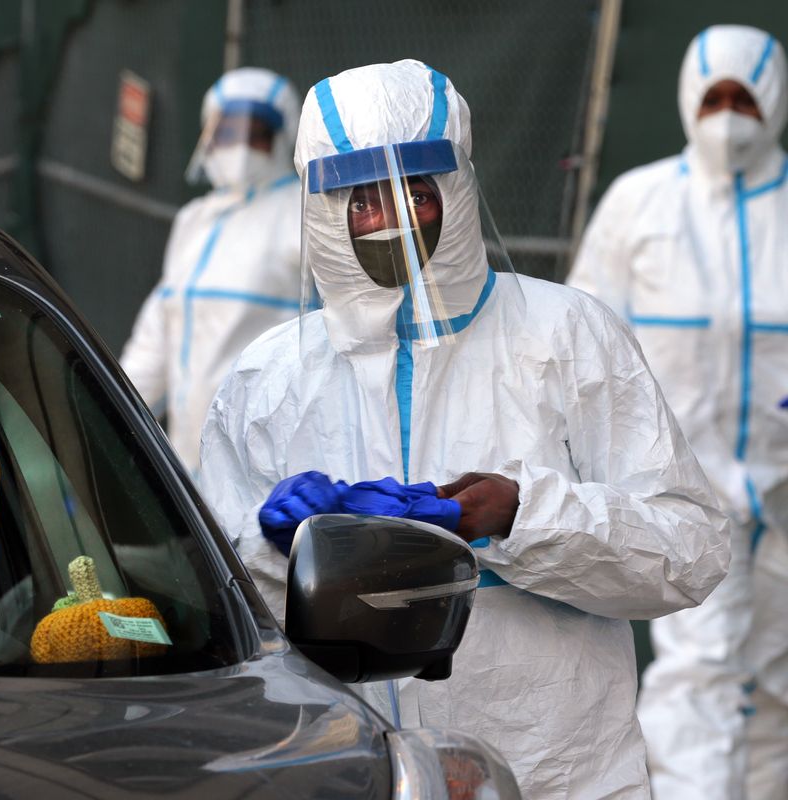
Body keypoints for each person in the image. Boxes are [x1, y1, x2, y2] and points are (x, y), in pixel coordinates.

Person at [199, 60, 730, 798]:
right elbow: (218, 605)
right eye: (362, 201)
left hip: (553, 773)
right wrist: (277, 544)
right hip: (344, 770)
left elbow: (690, 550)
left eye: (415, 191)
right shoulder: (268, 380)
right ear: (322, 209)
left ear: (454, 185)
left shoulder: (565, 335)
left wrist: (521, 519)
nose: (392, 220)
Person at [566, 25, 788, 800]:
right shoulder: (642, 203)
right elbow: (588, 340)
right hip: (686, 494)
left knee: (774, 682)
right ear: (690, 99)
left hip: (782, 488)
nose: (731, 116)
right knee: (697, 676)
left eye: (747, 99)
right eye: (716, 97)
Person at [119, 67, 303, 475]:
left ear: (282, 137)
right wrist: (111, 415)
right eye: (226, 131)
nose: (238, 146)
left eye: (254, 132)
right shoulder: (194, 220)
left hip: (268, 462)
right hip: (186, 454)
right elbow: (158, 335)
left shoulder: (303, 214)